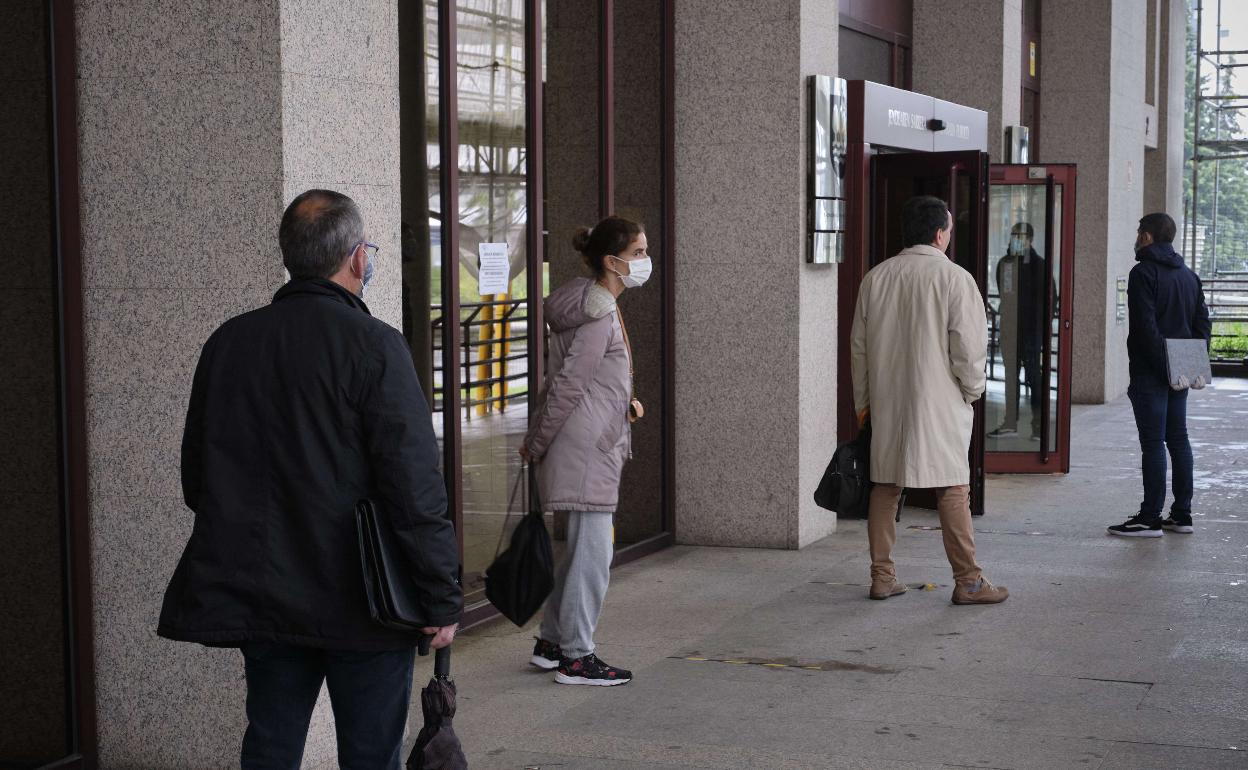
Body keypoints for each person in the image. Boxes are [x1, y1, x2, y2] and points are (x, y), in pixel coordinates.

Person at [158, 190, 462, 768]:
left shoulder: (230, 342)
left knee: (271, 744)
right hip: (366, 602)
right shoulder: (375, 346)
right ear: (355, 259)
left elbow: (198, 478)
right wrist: (441, 595)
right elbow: (414, 486)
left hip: (265, 597)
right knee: (371, 755)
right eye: (368, 251)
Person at [851, 195, 1009, 605]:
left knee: (884, 488)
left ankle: (882, 577)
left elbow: (859, 351)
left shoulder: (875, 278)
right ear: (940, 234)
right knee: (953, 489)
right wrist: (971, 392)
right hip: (940, 404)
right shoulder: (956, 279)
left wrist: (865, 405)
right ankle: (969, 581)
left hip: (888, 403)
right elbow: (970, 351)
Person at [520, 215, 651, 686]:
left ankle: (552, 642)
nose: (644, 261)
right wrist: (536, 442)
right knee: (593, 557)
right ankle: (577, 657)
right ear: (612, 262)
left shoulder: (594, 303)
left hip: (587, 442)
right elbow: (569, 385)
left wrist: (623, 404)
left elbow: (588, 382)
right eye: (638, 253)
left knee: (581, 553)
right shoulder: (598, 312)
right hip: (586, 449)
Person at [1108, 212, 1212, 537]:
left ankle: (1149, 517)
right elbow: (1203, 324)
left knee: (1153, 442)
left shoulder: (1143, 274)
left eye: (1140, 231)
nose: (1137, 236)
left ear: (1148, 236)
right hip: (1179, 369)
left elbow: (1144, 329)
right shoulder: (1189, 276)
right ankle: (1181, 515)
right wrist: (1187, 363)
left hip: (1152, 371)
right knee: (1178, 439)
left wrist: (1162, 365)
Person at [990, 222, 1049, 441]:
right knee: (1010, 377)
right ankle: (1009, 422)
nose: (1016, 239)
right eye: (1014, 235)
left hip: (1031, 333)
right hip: (1009, 330)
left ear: (1029, 240)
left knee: (1034, 377)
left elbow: (1048, 300)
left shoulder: (1039, 266)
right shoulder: (1005, 264)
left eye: (1020, 236)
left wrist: (1038, 328)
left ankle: (1037, 426)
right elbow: (1005, 295)